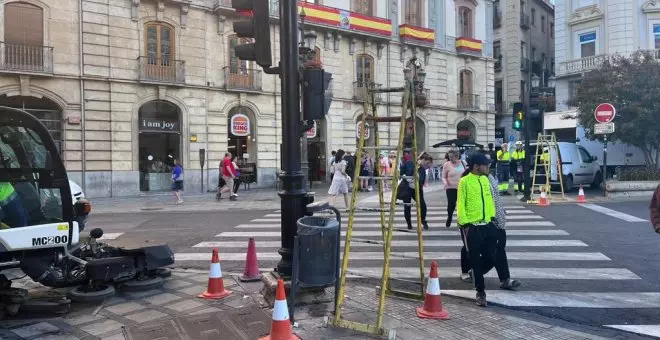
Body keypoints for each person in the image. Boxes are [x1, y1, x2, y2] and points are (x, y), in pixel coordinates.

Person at [457, 153, 499, 307]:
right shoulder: (464, 181)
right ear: (476, 166)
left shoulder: (485, 179)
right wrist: (464, 223)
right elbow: (461, 203)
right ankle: (481, 293)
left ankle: (476, 273)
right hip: (472, 227)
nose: (488, 167)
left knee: (491, 258)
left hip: (488, 224)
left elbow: (489, 200)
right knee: (475, 260)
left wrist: (492, 217)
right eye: (486, 165)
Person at [400, 152, 429, 230]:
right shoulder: (409, 164)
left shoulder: (422, 169)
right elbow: (402, 173)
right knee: (407, 206)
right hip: (407, 188)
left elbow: (422, 181)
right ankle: (409, 224)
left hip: (416, 189)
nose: (424, 164)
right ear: (421, 159)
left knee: (423, 205)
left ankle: (423, 219)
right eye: (424, 162)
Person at [442, 150, 466, 227]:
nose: (450, 158)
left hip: (461, 188)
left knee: (461, 205)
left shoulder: (463, 163)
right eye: (449, 157)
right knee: (451, 204)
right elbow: (443, 176)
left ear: (457, 156)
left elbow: (467, 175)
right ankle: (449, 217)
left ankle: (461, 220)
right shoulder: (446, 164)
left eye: (452, 157)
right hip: (450, 187)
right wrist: (445, 183)